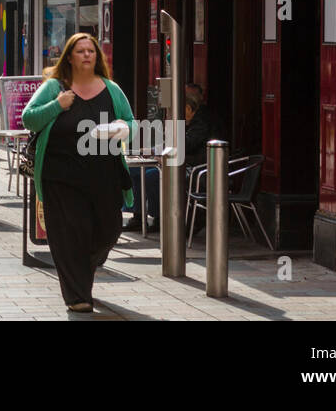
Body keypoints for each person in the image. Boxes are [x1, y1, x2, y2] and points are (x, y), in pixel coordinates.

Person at [22, 32, 135, 313]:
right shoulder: (54, 87)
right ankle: (77, 296)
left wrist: (122, 127)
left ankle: (84, 268)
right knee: (70, 235)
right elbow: (29, 118)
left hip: (104, 176)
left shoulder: (111, 89)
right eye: (81, 51)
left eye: (91, 51)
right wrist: (57, 105)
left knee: (109, 230)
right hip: (60, 177)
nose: (87, 55)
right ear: (69, 57)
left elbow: (131, 123)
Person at [125, 83, 225, 232]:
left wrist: (164, 155)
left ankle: (159, 218)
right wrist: (153, 150)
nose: (175, 115)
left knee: (152, 176)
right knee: (134, 172)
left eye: (178, 111)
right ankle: (138, 216)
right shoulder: (189, 120)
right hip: (182, 163)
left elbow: (186, 145)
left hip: (198, 169)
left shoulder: (201, 120)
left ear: (189, 108)